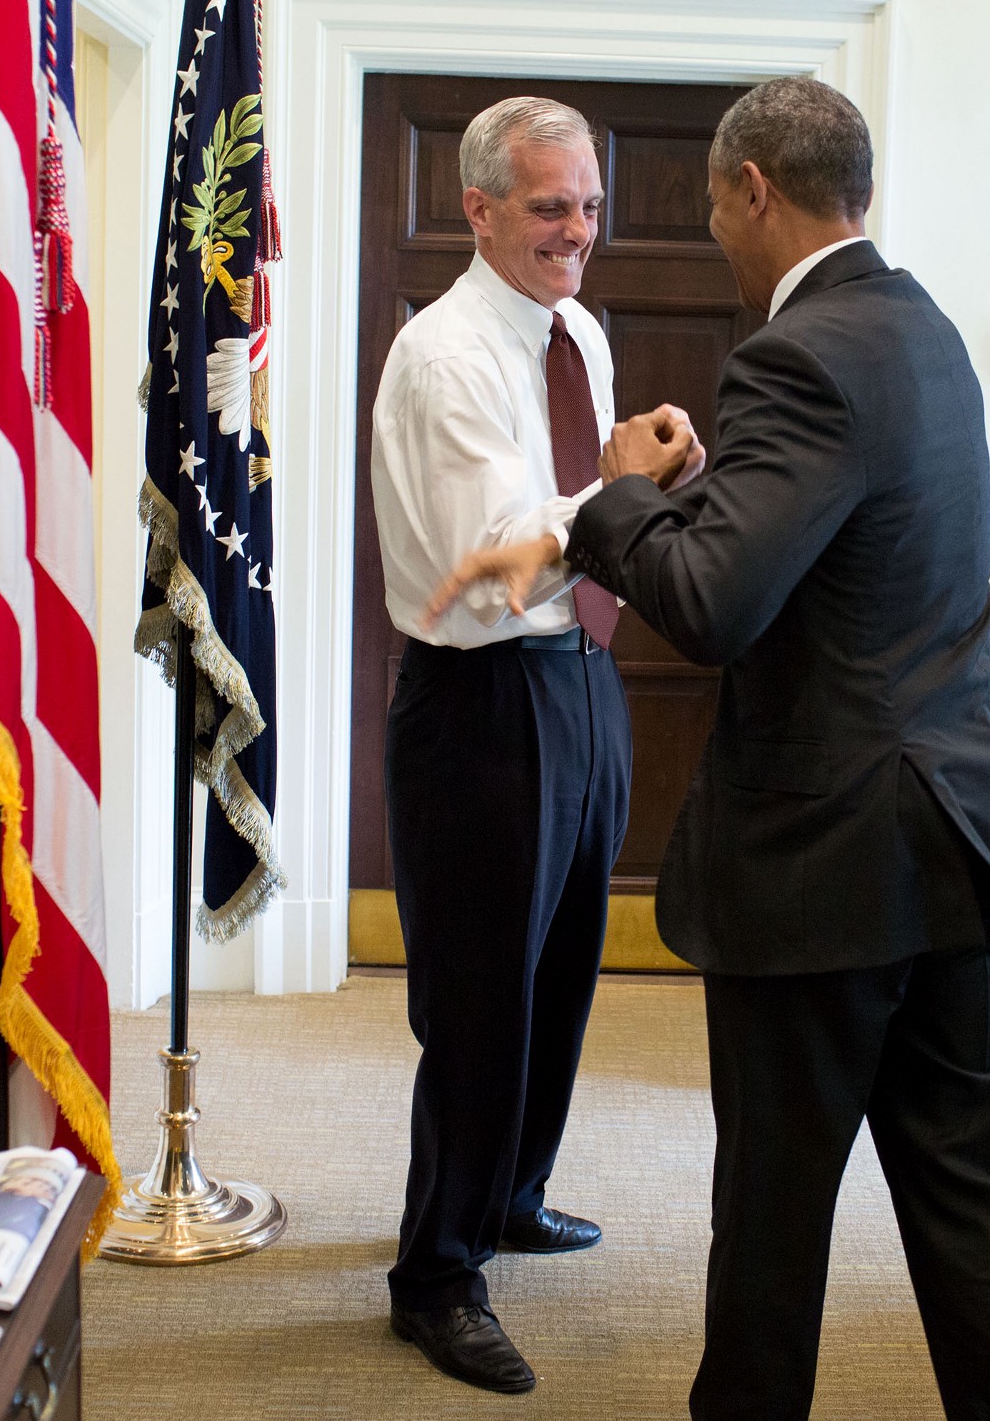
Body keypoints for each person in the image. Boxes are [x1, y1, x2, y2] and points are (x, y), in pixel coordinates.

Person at [425, 78, 990, 1421]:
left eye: (709, 200)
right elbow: (841, 557)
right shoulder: (924, 332)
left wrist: (612, 493)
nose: (705, 226)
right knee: (977, 1205)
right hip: (962, 839)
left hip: (827, 865)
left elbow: (714, 602)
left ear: (755, 190)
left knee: (771, 1225)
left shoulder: (796, 353)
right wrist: (687, 493)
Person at [369, 95, 700, 1395]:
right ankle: (435, 1273)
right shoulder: (444, 356)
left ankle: (513, 1192)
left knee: (563, 972)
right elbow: (493, 565)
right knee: (482, 1003)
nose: (579, 230)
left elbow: (586, 531)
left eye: (591, 204)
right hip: (480, 706)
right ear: (481, 210)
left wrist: (644, 481)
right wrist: (616, 481)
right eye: (552, 206)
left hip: (582, 680)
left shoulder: (579, 330)